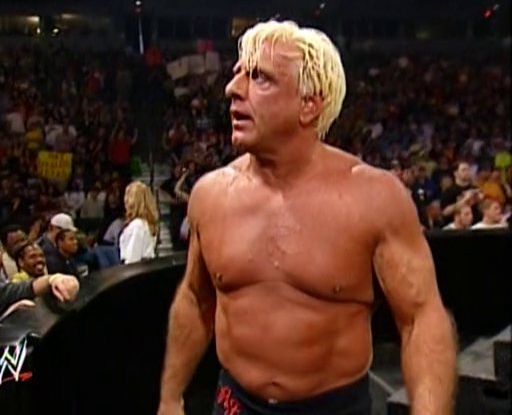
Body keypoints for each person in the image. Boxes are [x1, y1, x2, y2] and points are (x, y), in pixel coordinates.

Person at [158, 20, 456, 415]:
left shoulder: (373, 198)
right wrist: (170, 397)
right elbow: (196, 300)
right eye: (238, 74)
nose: (232, 89)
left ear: (308, 104)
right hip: (234, 403)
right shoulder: (211, 195)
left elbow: (422, 318)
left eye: (259, 78)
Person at [118, 181, 159, 264]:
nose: (125, 200)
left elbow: (132, 259)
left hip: (135, 269)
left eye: (129, 196)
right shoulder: (143, 224)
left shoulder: (138, 226)